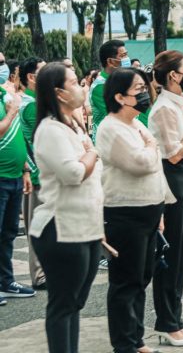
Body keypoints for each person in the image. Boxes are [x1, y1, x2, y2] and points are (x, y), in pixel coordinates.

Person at [97, 67, 174, 353]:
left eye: (145, 87)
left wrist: (161, 212)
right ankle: (124, 343)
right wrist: (153, 146)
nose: (144, 94)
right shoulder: (111, 127)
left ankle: (136, 338)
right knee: (125, 281)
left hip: (150, 211)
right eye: (137, 90)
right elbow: (143, 164)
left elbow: (155, 169)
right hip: (124, 213)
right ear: (119, 96)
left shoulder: (137, 124)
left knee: (142, 278)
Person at [30, 62, 101, 353]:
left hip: (86, 225)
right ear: (59, 93)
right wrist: (92, 155)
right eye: (74, 82)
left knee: (75, 303)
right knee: (63, 304)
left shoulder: (73, 125)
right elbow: (72, 173)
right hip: (59, 228)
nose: (81, 87)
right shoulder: (50, 130)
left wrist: (89, 155)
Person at [148, 50, 183, 347]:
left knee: (182, 253)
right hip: (174, 175)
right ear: (173, 75)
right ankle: (168, 321)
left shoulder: (181, 102)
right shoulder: (165, 107)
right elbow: (175, 153)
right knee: (172, 253)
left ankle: (174, 318)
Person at [0, 59, 35, 308]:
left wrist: (24, 169)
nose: (5, 68)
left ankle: (6, 281)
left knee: (9, 233)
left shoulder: (4, 94)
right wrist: (12, 110)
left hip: (13, 175)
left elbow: (16, 134)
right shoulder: (9, 100)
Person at [18, 57, 46, 290]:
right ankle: (39, 274)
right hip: (37, 174)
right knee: (37, 226)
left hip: (41, 173)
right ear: (31, 77)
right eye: (43, 71)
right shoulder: (30, 105)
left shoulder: (33, 101)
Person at [91, 40, 142, 141]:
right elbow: (120, 116)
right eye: (122, 56)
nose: (127, 59)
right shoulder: (100, 86)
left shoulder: (121, 81)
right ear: (110, 61)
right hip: (109, 141)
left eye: (126, 55)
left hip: (127, 137)